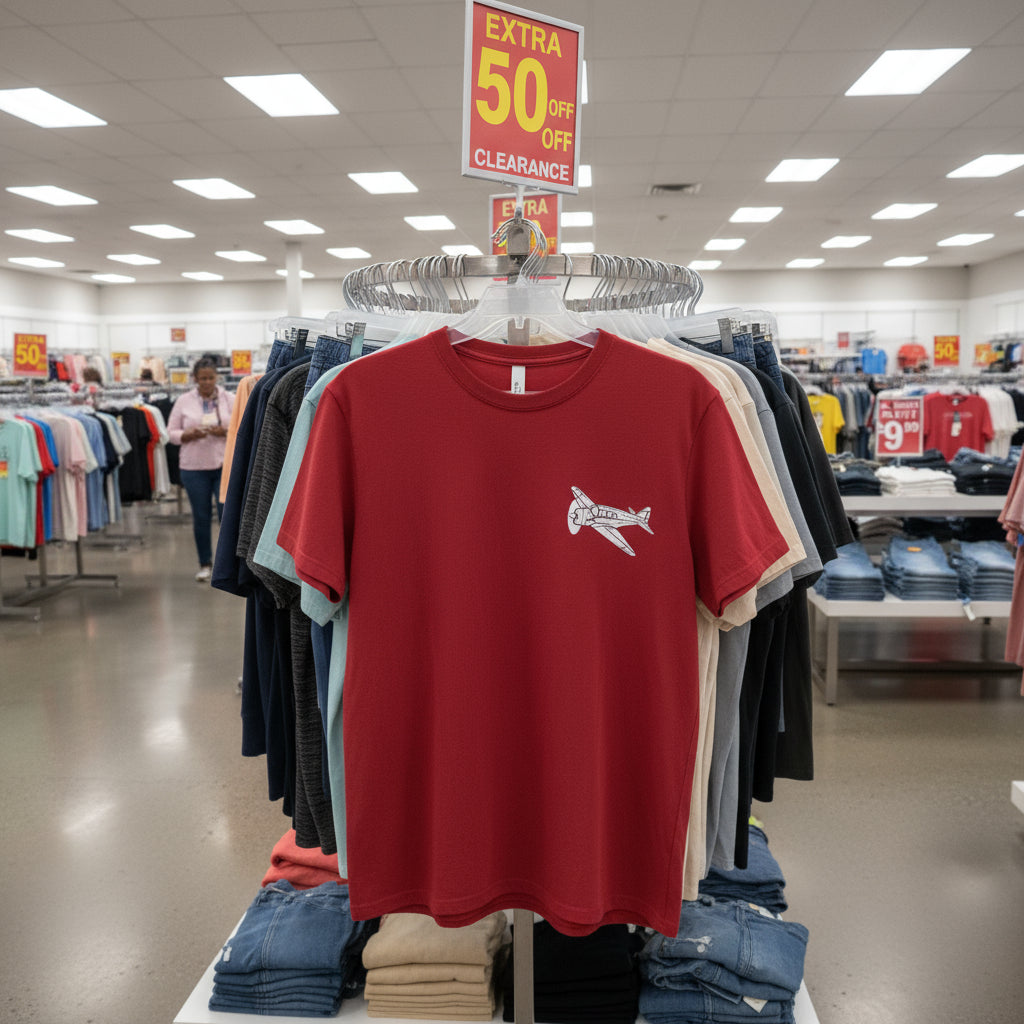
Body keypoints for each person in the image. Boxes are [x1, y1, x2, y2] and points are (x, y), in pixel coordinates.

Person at [167, 357, 234, 581]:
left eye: (211, 378)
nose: (207, 382)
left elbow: (240, 425)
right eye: (202, 378)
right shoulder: (183, 401)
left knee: (227, 514)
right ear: (195, 379)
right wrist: (188, 435)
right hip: (194, 468)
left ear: (217, 378)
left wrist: (223, 431)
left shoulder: (229, 399)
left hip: (223, 465)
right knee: (201, 516)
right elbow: (171, 433)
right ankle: (205, 563)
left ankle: (229, 564)